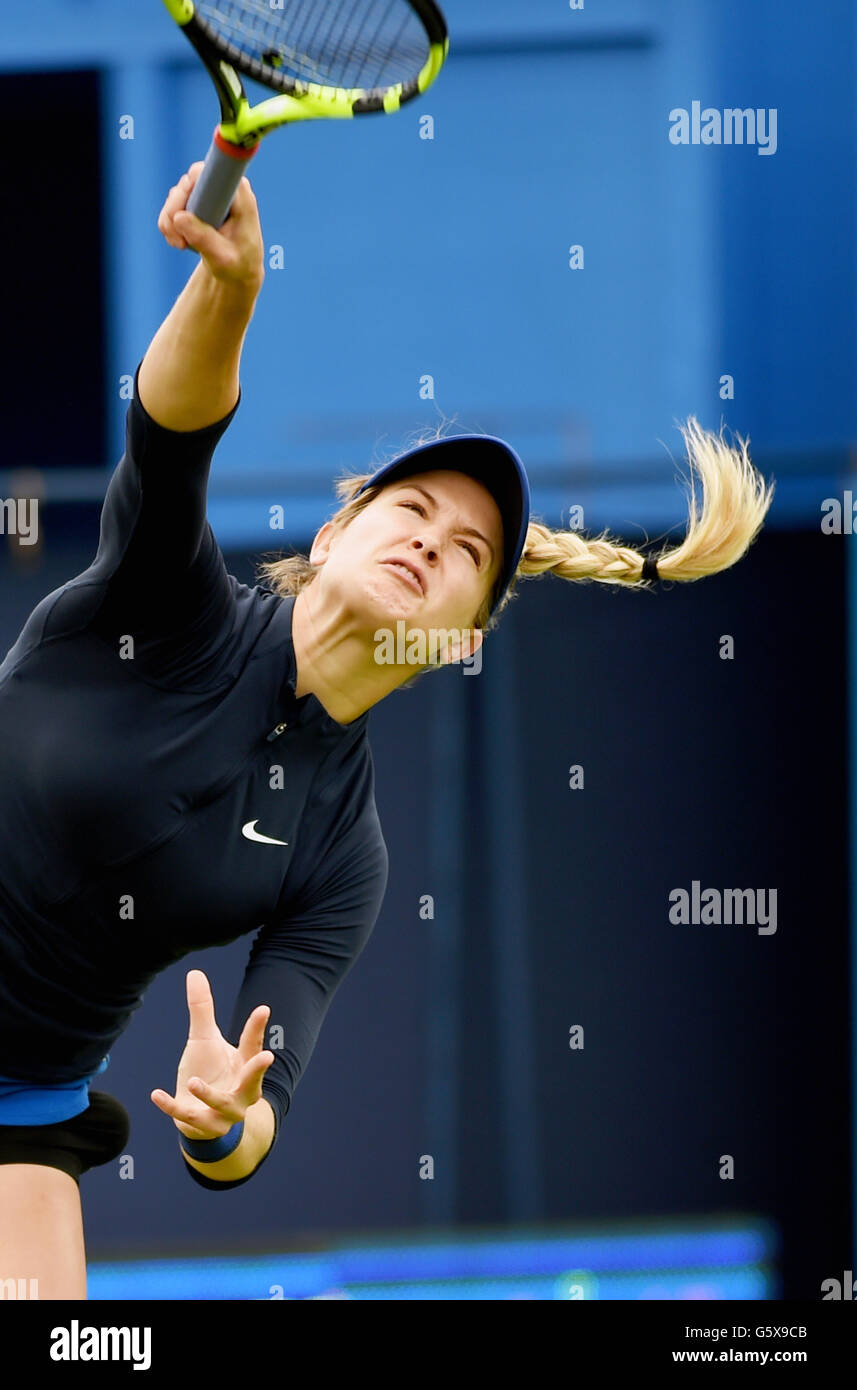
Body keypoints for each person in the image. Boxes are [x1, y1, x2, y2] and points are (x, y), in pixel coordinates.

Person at [0, 164, 774, 1300]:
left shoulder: (341, 854)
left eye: (466, 553)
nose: (430, 541)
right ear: (333, 530)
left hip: (25, 1104)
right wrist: (230, 293)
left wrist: (222, 1119)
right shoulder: (163, 605)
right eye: (409, 510)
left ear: (462, 638)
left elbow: (258, 1116)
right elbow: (171, 429)